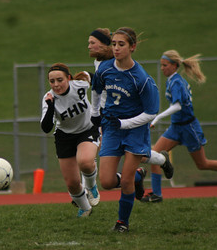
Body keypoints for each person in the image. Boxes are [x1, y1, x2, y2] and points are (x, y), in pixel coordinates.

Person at [89, 28, 174, 202]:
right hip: (110, 119)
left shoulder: (133, 72)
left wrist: (125, 122)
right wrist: (95, 113)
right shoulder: (103, 65)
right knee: (110, 177)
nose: (89, 46)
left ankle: (123, 220)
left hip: (130, 121)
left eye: (93, 43)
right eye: (114, 44)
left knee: (137, 157)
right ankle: (140, 175)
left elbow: (150, 109)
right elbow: (96, 89)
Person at [141, 50, 217, 203]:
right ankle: (157, 195)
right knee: (153, 155)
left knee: (202, 164)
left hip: (189, 128)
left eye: (165, 65)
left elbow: (178, 106)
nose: (162, 68)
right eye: (161, 65)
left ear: (174, 66)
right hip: (176, 127)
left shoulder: (176, 81)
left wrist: (157, 118)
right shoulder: (172, 80)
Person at [40, 63, 100, 217]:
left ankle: (92, 187)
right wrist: (51, 106)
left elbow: (95, 77)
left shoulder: (79, 85)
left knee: (85, 161)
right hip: (64, 137)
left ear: (68, 78)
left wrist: (100, 102)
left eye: (60, 80)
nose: (56, 85)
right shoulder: (49, 98)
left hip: (87, 128)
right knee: (72, 184)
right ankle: (86, 208)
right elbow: (46, 127)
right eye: (52, 81)